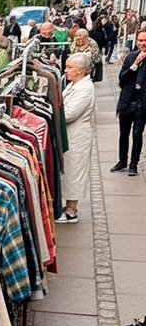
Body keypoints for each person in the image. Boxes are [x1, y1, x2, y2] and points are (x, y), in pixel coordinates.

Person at [56, 53, 96, 222]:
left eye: (69, 67)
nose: (66, 70)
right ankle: (69, 205)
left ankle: (72, 210)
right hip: (72, 135)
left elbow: (70, 113)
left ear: (80, 70)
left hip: (77, 136)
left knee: (75, 171)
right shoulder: (75, 84)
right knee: (70, 171)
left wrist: (51, 112)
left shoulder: (85, 89)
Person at [111, 30, 146, 176]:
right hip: (127, 101)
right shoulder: (131, 57)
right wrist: (135, 64)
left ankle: (133, 164)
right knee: (123, 134)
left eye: (145, 41)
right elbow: (122, 80)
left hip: (142, 104)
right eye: (140, 40)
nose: (142, 44)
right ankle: (122, 161)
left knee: (137, 135)